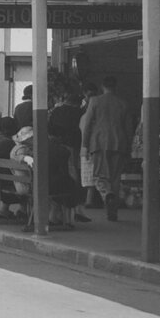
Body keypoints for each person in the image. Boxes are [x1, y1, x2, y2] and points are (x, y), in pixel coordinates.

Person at [81, 75, 135, 221]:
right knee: (115, 177)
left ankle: (107, 195)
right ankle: (113, 211)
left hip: (98, 143)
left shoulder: (95, 101)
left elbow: (87, 126)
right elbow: (129, 129)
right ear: (115, 87)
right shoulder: (123, 103)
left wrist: (85, 145)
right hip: (119, 143)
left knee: (99, 175)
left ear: (102, 87)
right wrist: (129, 147)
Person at [46, 88, 91, 223]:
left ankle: (61, 213)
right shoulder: (79, 112)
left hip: (57, 147)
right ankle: (77, 210)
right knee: (73, 175)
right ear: (77, 103)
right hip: (72, 147)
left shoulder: (56, 111)